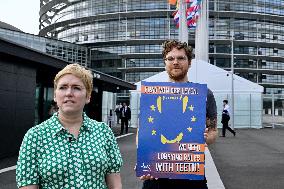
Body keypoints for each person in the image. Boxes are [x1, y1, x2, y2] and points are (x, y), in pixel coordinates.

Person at [16, 63, 123, 189]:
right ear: (55, 96)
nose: (69, 93)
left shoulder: (104, 132)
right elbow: (28, 185)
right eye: (63, 87)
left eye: (76, 88)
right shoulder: (35, 136)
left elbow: (114, 181)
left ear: (88, 96)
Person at [139, 40, 218, 189]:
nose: (175, 62)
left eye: (181, 58)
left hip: (191, 176)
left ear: (189, 62)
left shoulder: (204, 94)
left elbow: (213, 131)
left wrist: (207, 138)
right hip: (156, 175)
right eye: (170, 58)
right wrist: (144, 159)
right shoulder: (151, 95)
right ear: (165, 62)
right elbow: (141, 133)